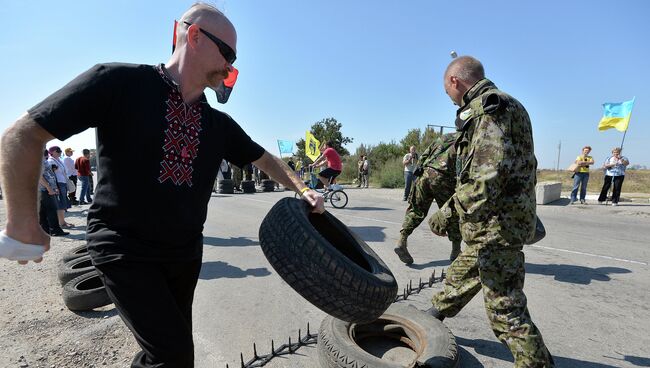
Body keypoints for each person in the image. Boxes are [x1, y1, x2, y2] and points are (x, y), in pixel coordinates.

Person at [0, 4, 324, 367]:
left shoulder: (218, 124)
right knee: (173, 355)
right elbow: (21, 134)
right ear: (195, 36)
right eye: (228, 53)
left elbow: (265, 159)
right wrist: (21, 219)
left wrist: (302, 188)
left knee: (166, 354)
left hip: (183, 255)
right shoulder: (117, 83)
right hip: (123, 247)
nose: (231, 66)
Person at [427, 56, 554, 366]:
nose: (450, 97)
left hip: (497, 225)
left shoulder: (489, 109)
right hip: (496, 224)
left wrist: (450, 211)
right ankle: (434, 315)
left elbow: (487, 175)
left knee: (505, 311)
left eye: (447, 92)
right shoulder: (511, 105)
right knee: (462, 273)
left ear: (455, 82)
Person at [395, 133, 462, 264]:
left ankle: (402, 240)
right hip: (444, 178)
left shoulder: (444, 137)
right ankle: (456, 251)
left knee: (416, 210)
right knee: (453, 213)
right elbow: (462, 167)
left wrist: (420, 172)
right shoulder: (466, 140)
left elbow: (425, 154)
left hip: (424, 175)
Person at [39, 150, 69, 237]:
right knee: (51, 210)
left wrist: (54, 187)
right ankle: (55, 230)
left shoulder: (42, 161)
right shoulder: (39, 162)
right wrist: (49, 188)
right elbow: (39, 177)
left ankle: (45, 230)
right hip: (45, 189)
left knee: (43, 211)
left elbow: (49, 175)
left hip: (46, 189)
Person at [47, 146, 73, 228]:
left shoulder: (58, 160)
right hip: (58, 183)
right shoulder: (51, 161)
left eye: (60, 150)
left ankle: (62, 221)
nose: (60, 152)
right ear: (52, 152)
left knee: (63, 202)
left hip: (62, 182)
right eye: (58, 150)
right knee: (61, 203)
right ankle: (62, 223)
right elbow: (51, 174)